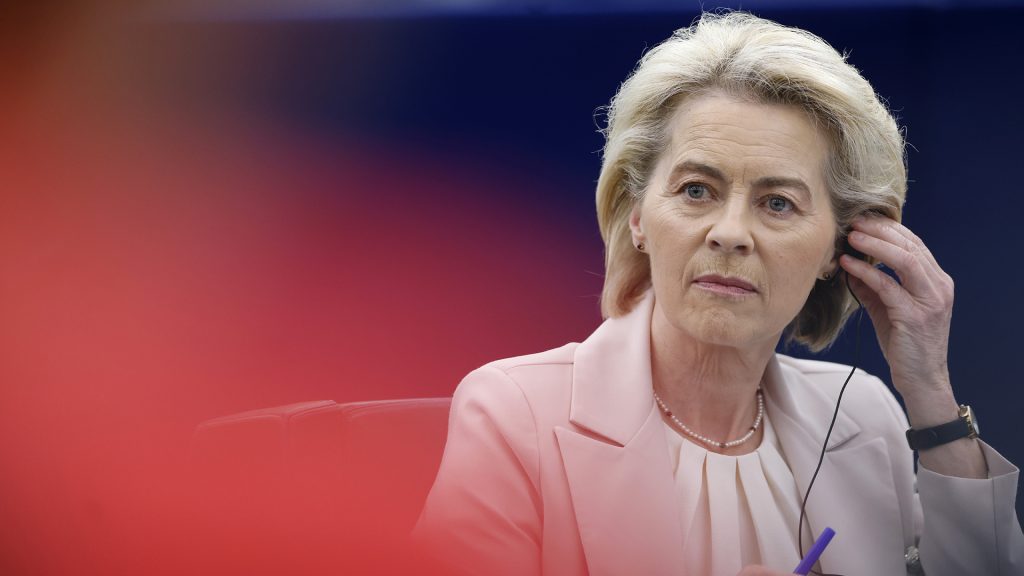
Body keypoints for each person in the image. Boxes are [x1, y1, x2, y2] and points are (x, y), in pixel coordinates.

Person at [413, 12, 1024, 576]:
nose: (730, 233)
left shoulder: (865, 416)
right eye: (696, 190)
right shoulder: (513, 413)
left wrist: (930, 394)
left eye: (777, 203)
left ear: (841, 248)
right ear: (637, 216)